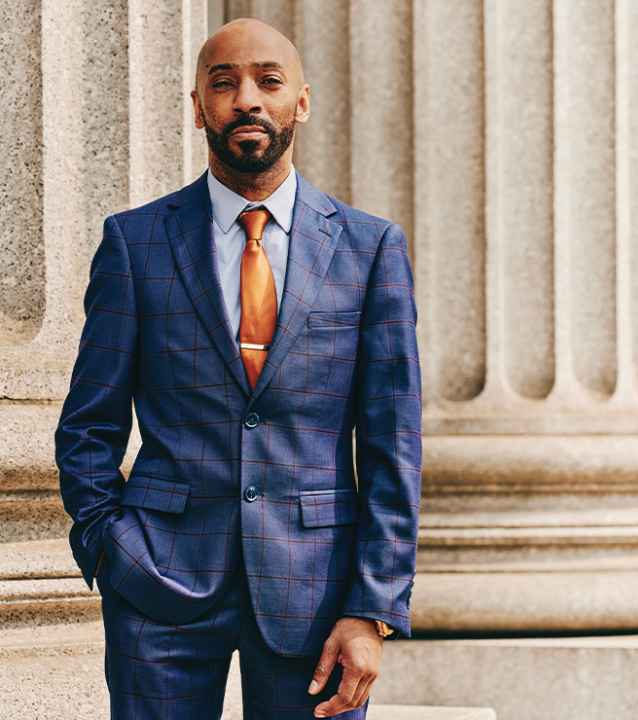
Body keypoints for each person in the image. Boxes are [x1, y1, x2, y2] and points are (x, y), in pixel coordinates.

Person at [54, 16, 422, 720]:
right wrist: (109, 547)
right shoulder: (134, 244)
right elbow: (88, 426)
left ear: (301, 103)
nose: (246, 98)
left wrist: (372, 609)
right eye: (223, 83)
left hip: (318, 592)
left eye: (268, 81)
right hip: (158, 580)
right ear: (198, 108)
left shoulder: (371, 249)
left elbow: (392, 443)